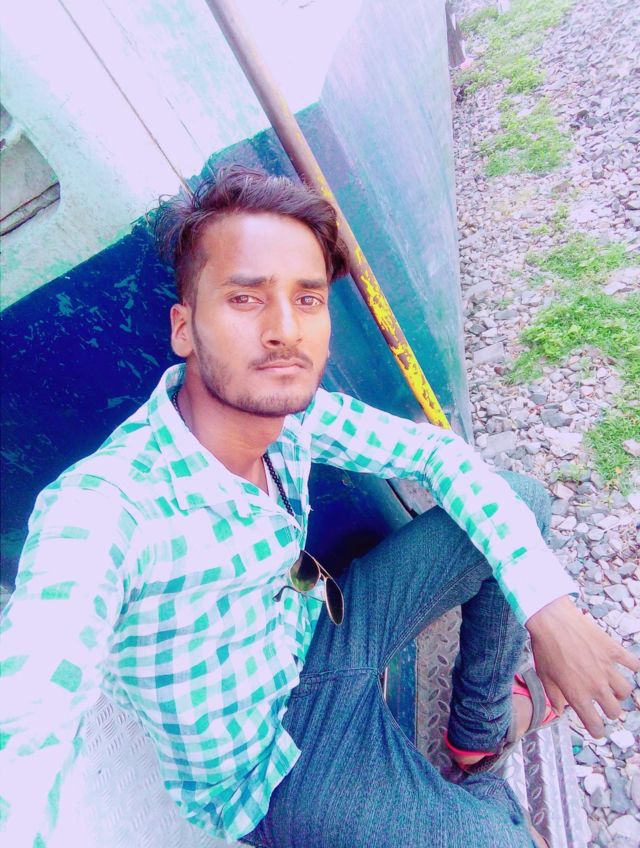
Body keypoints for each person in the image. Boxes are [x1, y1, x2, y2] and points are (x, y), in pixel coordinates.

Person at [0, 167, 636, 848]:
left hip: (318, 638)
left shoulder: (291, 415)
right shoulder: (105, 509)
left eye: (307, 299)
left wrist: (548, 607)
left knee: (520, 500)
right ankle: (482, 804)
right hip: (272, 771)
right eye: (245, 298)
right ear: (184, 328)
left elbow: (438, 455)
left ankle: (477, 739)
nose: (284, 330)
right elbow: (28, 721)